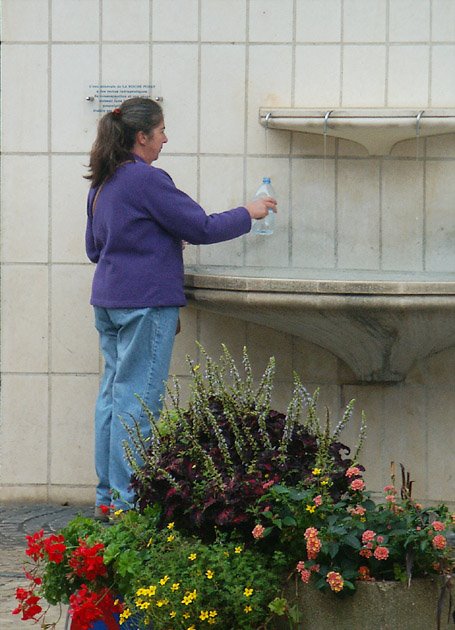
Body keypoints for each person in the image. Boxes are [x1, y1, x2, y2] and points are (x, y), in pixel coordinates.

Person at [84, 97, 277, 518]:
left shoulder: (104, 182)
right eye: (161, 130)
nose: (165, 138)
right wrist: (250, 212)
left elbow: (96, 248)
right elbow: (202, 227)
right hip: (145, 304)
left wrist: (158, 241)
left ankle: (107, 500)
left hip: (110, 301)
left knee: (112, 399)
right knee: (137, 402)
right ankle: (128, 505)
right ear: (142, 136)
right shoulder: (146, 179)